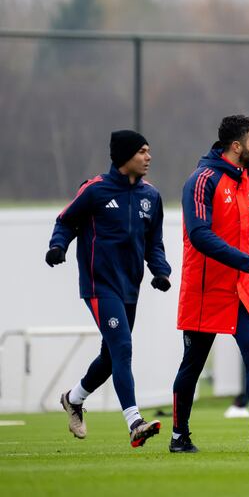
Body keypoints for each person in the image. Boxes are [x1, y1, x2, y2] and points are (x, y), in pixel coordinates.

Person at [170, 114, 249, 454]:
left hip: (242, 287)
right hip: (205, 288)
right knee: (193, 363)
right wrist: (242, 260)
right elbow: (199, 234)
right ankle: (179, 436)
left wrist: (247, 265)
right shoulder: (201, 180)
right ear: (236, 146)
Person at [48, 129, 171, 447]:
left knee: (110, 355)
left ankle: (73, 399)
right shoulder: (95, 190)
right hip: (99, 284)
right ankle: (134, 422)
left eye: (149, 150)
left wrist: (160, 271)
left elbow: (153, 243)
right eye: (142, 151)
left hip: (130, 286)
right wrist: (58, 246)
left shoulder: (151, 196)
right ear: (124, 157)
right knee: (123, 348)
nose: (148, 157)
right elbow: (66, 221)